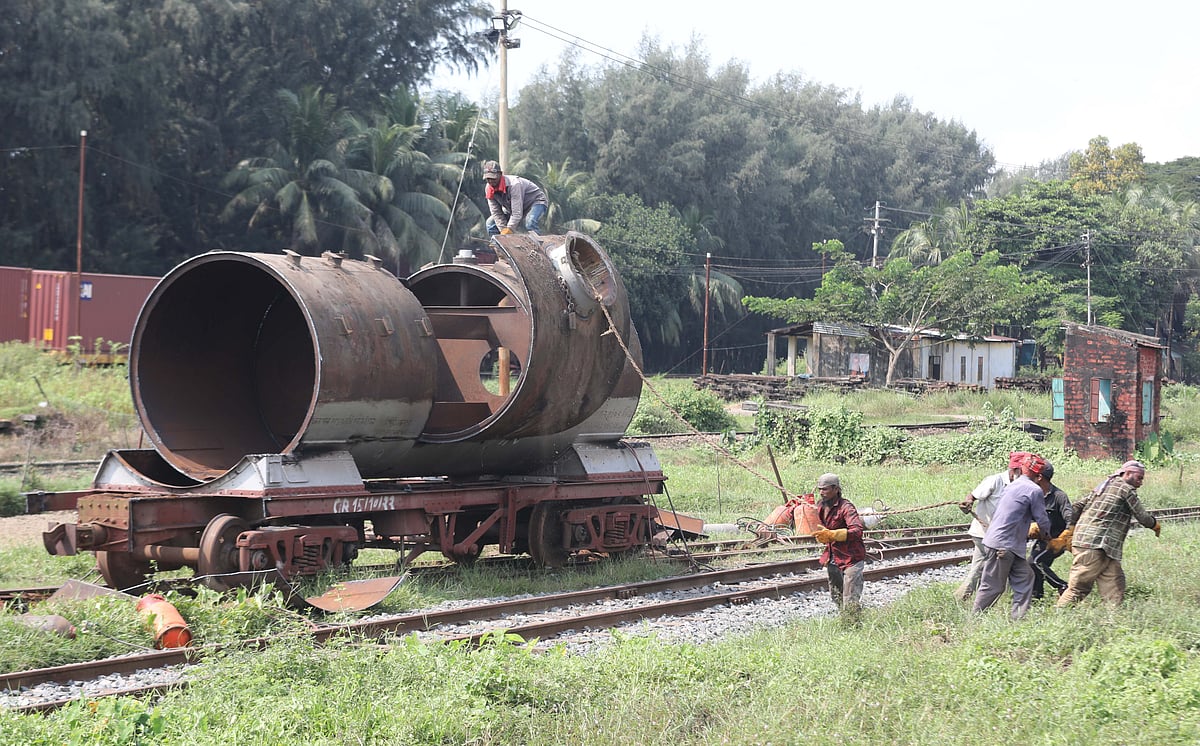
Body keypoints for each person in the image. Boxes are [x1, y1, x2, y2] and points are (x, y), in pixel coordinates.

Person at [1057, 460, 1160, 607]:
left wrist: (1072, 528)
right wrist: (1155, 525)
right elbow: (1142, 517)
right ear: (1127, 473)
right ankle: (1060, 613)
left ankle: (1113, 621)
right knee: (1078, 588)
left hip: (1103, 546)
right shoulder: (1125, 489)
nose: (1141, 482)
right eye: (1139, 478)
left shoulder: (1105, 485)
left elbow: (1077, 506)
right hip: (1094, 545)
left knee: (1114, 585)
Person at [972, 454, 1053, 621]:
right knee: (992, 586)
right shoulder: (1034, 490)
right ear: (1039, 476)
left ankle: (1019, 620)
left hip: (1008, 545)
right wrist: (1047, 535)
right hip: (1003, 545)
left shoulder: (1012, 485)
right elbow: (1042, 518)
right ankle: (974, 619)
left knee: (1025, 577)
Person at [954, 451, 1030, 601]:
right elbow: (972, 496)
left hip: (998, 536)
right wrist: (967, 503)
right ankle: (1007, 600)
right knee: (1004, 567)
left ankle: (962, 597)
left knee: (981, 568)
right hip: (984, 534)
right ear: (1016, 470)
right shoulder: (995, 481)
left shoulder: (1020, 485)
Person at [812, 473, 866, 613]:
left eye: (825, 489)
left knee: (850, 599)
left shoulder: (846, 508)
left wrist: (836, 534)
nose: (821, 493)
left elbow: (857, 530)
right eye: (819, 489)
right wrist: (824, 536)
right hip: (833, 556)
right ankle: (844, 620)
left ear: (836, 489)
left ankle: (853, 624)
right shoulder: (821, 507)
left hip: (851, 558)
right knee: (836, 596)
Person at [1029, 461, 1073, 599]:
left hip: (1057, 541)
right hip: (1043, 539)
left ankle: (1062, 586)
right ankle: (1037, 597)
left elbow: (1070, 519)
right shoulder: (1034, 495)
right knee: (1033, 566)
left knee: (1035, 562)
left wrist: (1063, 540)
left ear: (1040, 477)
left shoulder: (1059, 496)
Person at [482, 160, 549, 236]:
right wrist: (503, 230)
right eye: (488, 179)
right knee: (490, 224)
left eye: (493, 178)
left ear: (500, 174)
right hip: (512, 207)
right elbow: (496, 213)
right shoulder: (489, 189)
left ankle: (538, 243)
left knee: (530, 222)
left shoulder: (514, 184)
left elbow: (517, 213)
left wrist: (509, 229)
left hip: (536, 202)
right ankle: (499, 246)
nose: (491, 181)